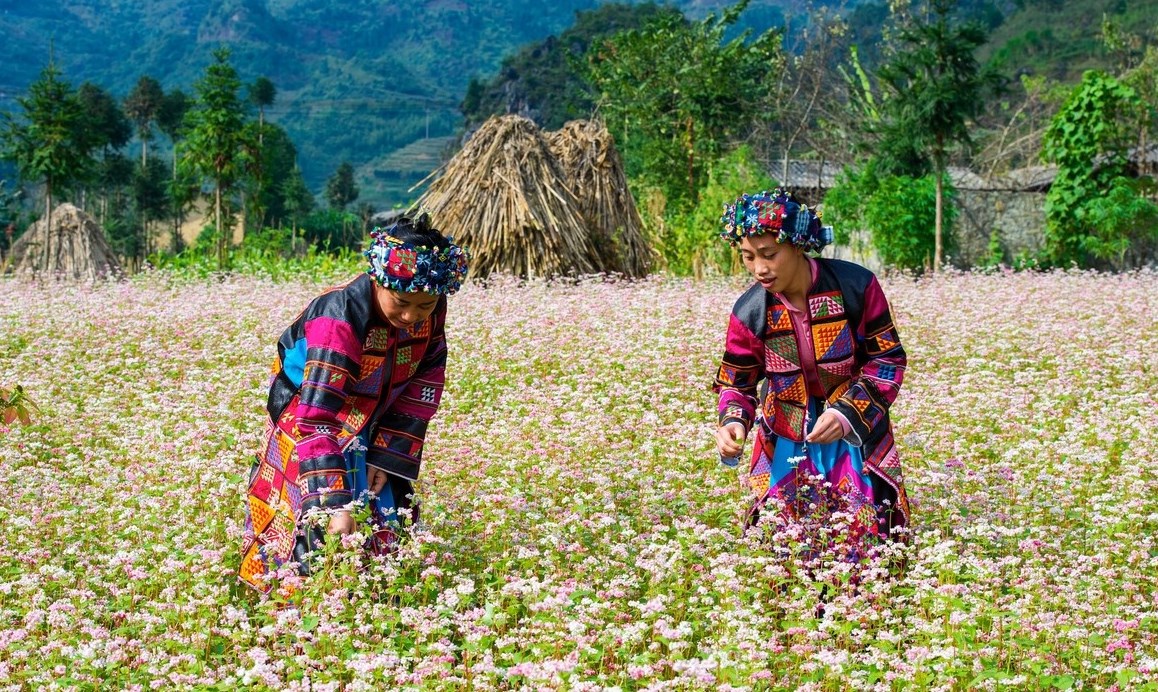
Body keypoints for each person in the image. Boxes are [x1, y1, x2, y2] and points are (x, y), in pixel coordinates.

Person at [239, 214, 469, 592]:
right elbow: (315, 418)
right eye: (401, 302)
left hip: (374, 413)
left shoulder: (430, 309)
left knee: (385, 500)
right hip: (308, 411)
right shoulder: (339, 316)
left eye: (425, 306)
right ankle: (293, 610)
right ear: (379, 281)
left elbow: (424, 380)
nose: (412, 316)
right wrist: (335, 504)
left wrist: (386, 453)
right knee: (312, 521)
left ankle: (377, 597)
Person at [712, 189, 909, 554]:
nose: (759, 268)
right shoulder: (749, 312)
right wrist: (733, 421)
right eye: (748, 257)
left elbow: (887, 359)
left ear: (799, 246)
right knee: (787, 542)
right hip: (787, 432)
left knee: (865, 537)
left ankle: (861, 608)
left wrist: (847, 412)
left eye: (769, 254)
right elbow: (737, 382)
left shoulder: (856, 286)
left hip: (855, 432)